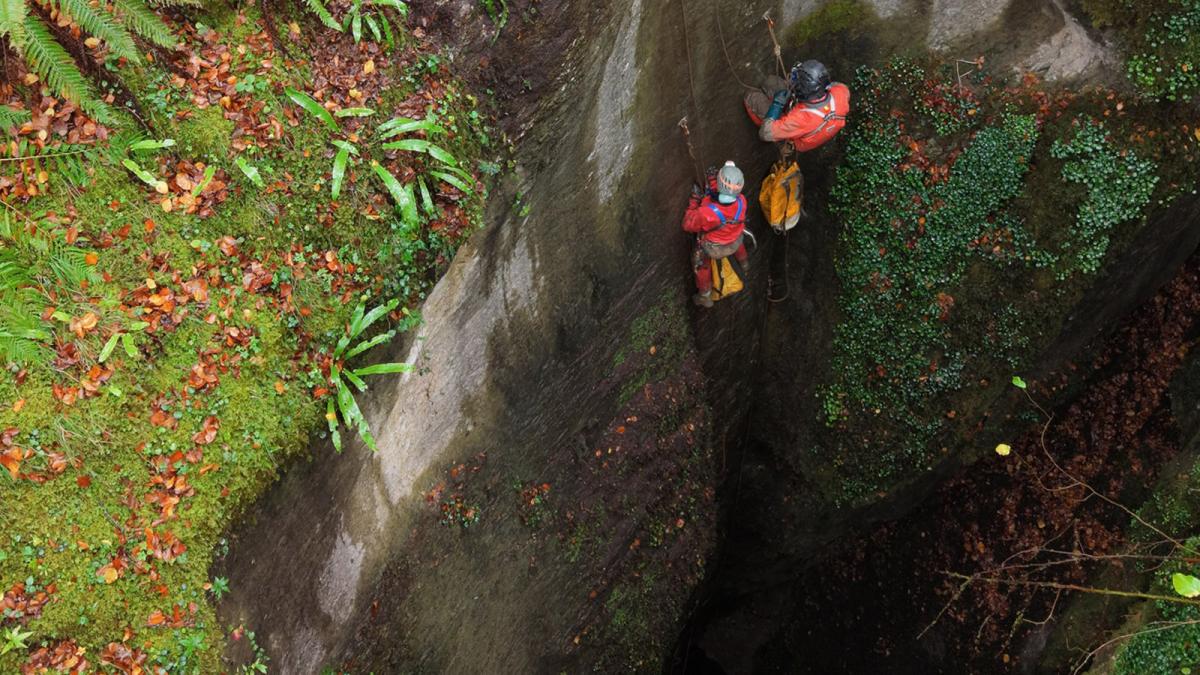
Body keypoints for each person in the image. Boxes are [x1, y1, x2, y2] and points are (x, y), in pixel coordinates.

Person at [682, 161, 749, 308]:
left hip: (714, 248)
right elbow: (725, 193)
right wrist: (713, 181)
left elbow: (688, 225)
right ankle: (744, 264)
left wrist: (694, 201)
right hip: (736, 240)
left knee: (700, 263)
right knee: (737, 240)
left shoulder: (706, 213)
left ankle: (705, 296)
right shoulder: (742, 201)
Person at [744, 60, 850, 152]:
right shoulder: (840, 93)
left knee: (751, 97)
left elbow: (765, 133)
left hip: (798, 135)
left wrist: (777, 105)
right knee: (771, 81)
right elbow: (841, 87)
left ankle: (775, 133)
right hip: (813, 122)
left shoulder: (801, 119)